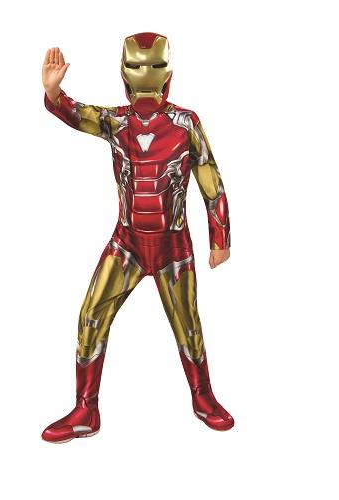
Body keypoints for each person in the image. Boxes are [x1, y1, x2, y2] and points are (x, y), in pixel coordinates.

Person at [41, 32, 234, 443]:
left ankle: (203, 398)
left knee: (188, 325)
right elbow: (77, 114)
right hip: (127, 244)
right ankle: (86, 409)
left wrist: (220, 237)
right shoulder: (117, 122)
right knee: (92, 314)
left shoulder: (186, 123)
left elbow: (209, 178)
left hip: (172, 247)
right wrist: (55, 94)